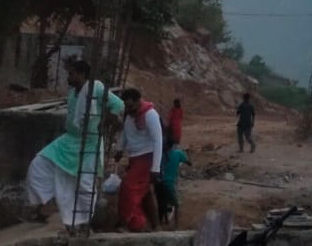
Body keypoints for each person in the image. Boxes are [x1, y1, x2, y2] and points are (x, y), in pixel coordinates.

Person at [25, 59, 124, 234]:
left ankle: (83, 223)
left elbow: (118, 104)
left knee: (85, 185)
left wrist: (106, 120)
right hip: (69, 140)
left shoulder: (97, 89)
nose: (68, 77)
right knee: (38, 164)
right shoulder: (72, 94)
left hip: (89, 142)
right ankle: (46, 204)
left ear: (82, 74)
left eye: (72, 74)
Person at [114, 88, 163, 232]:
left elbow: (158, 140)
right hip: (134, 158)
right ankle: (156, 226)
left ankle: (126, 222)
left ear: (138, 102)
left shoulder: (150, 114)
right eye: (126, 106)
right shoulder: (130, 115)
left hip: (146, 158)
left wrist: (156, 168)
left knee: (127, 186)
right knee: (146, 193)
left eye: (131, 106)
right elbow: (125, 131)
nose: (128, 109)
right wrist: (119, 148)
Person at [154, 142, 190, 227]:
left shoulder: (160, 154)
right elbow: (188, 162)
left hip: (158, 182)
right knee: (176, 205)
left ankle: (159, 223)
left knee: (161, 202)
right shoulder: (178, 153)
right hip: (169, 182)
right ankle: (176, 226)